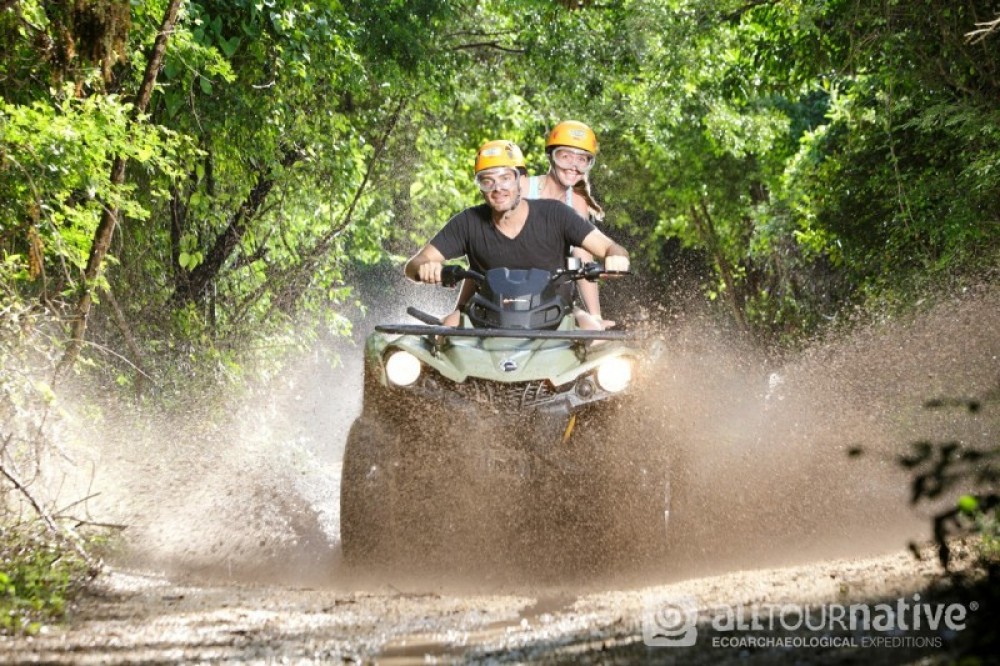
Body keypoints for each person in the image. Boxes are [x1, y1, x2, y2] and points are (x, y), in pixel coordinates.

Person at [404, 139, 629, 329]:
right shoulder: (468, 222)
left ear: (521, 180)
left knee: (595, 337)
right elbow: (414, 265)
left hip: (558, 315)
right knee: (440, 337)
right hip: (484, 316)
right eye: (487, 180)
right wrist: (427, 268)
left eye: (505, 178)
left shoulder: (556, 214)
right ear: (480, 186)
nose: (498, 188)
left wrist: (616, 257)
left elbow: (609, 247)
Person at [522, 120, 610, 329]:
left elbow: (582, 254)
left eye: (582, 159)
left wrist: (595, 314)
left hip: (553, 298)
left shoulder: (577, 203)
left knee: (594, 334)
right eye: (565, 156)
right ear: (551, 156)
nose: (573, 166)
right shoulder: (524, 188)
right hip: (508, 293)